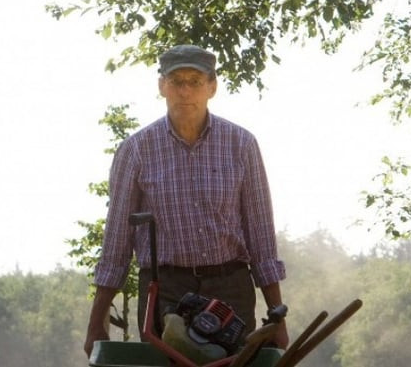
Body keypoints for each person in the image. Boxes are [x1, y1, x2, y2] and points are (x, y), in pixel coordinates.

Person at [84, 44, 289, 357]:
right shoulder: (137, 150)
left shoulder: (241, 144)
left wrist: (278, 316)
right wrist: (96, 321)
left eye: (195, 81)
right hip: (166, 291)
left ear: (212, 87)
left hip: (230, 288)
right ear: (162, 86)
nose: (185, 91)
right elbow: (116, 243)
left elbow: (261, 237)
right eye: (176, 81)